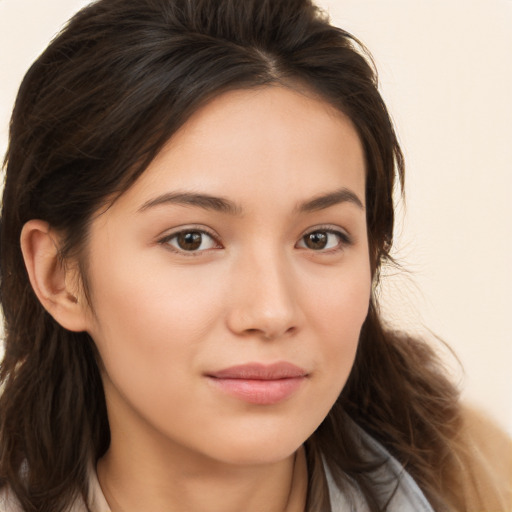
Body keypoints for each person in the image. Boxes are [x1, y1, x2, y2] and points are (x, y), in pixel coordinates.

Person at [0, 0, 510, 511]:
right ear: (58, 275)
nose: (272, 312)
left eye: (319, 238)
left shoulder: (484, 488)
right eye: (191, 239)